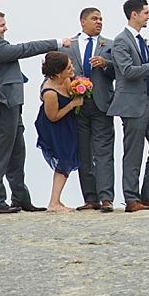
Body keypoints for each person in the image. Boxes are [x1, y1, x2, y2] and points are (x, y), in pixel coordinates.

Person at [0, 10, 71, 214]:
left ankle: (20, 198)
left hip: (10, 105)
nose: (5, 27)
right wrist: (57, 42)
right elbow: (26, 49)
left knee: (17, 153)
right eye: (1, 25)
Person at [107, 0, 149, 212]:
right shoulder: (120, 41)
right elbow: (127, 71)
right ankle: (131, 199)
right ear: (134, 14)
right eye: (146, 13)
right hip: (132, 104)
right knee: (133, 151)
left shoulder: (141, 40)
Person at [60, 7, 116, 213]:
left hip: (102, 104)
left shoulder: (110, 45)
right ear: (83, 21)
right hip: (77, 105)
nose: (99, 22)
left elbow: (119, 71)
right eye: (95, 19)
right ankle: (90, 198)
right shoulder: (68, 46)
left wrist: (106, 64)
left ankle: (106, 197)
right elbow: (55, 72)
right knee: (83, 152)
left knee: (104, 152)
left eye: (101, 19)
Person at [34, 52, 84, 213]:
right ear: (57, 73)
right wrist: (72, 104)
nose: (72, 69)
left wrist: (80, 88)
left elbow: (70, 91)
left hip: (67, 124)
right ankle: (53, 202)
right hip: (54, 128)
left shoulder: (66, 79)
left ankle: (56, 200)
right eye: (68, 67)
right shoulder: (49, 92)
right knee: (64, 159)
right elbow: (53, 117)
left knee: (67, 160)